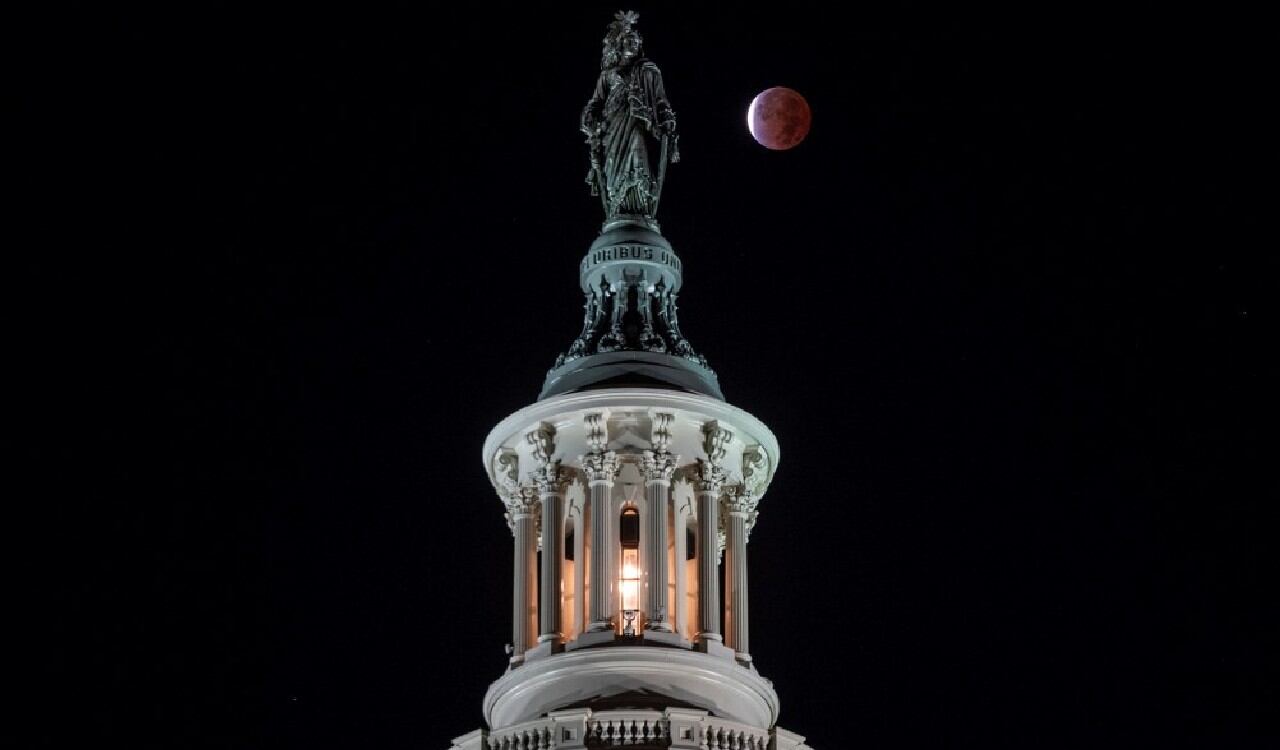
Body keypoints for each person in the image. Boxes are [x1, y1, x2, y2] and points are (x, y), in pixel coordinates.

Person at [581, 11, 680, 224]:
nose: (632, 44)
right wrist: (589, 117)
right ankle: (617, 209)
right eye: (628, 40)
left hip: (639, 122)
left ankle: (640, 205)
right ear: (619, 44)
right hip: (612, 126)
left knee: (638, 144)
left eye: (636, 41)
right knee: (612, 166)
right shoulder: (607, 75)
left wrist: (666, 118)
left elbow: (660, 100)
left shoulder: (649, 71)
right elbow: (596, 102)